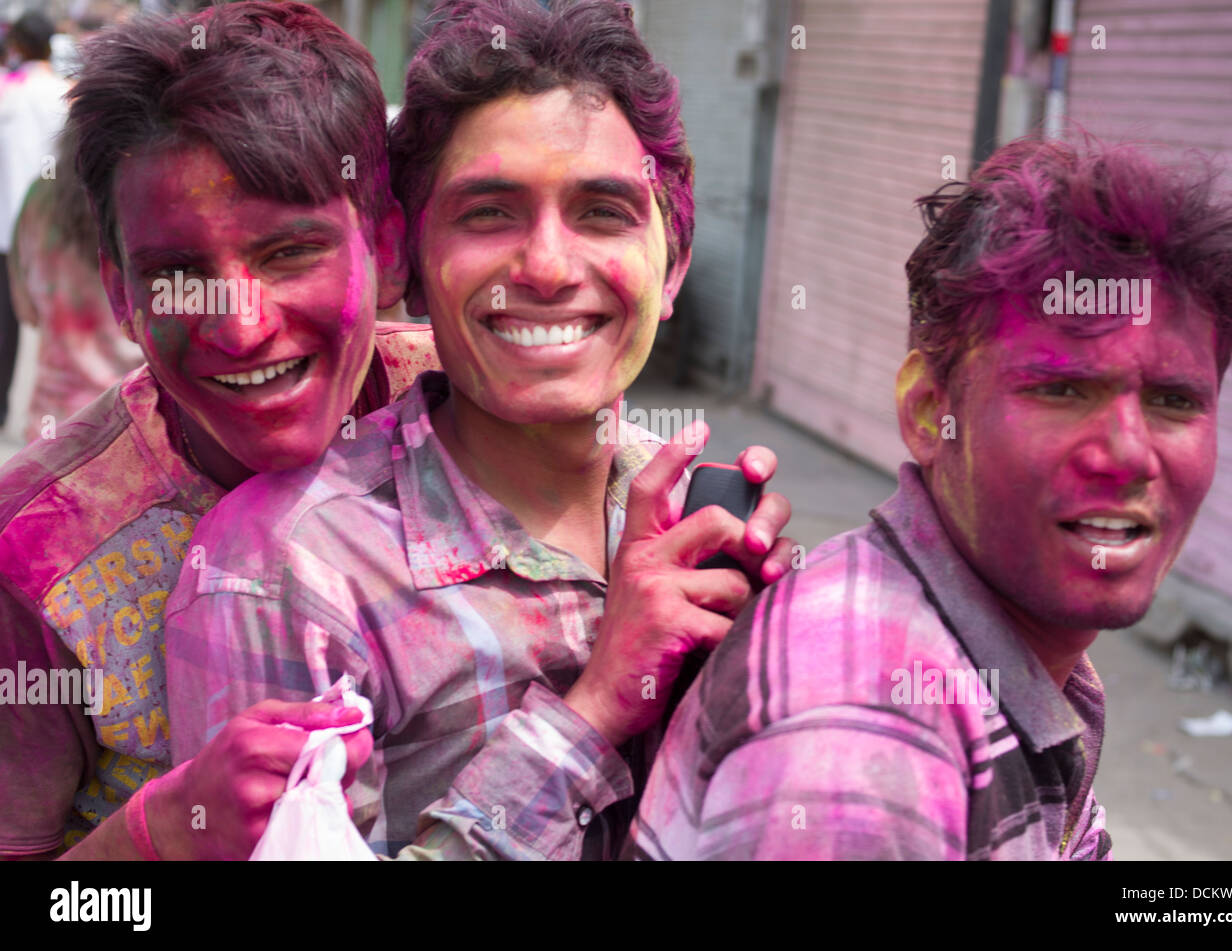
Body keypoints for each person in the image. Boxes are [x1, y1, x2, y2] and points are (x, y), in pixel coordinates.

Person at [166, 0, 794, 860]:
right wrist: (596, 710)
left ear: (672, 263)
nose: (545, 265)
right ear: (410, 268)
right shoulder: (289, 569)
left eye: (604, 211)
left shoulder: (699, 521)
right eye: (489, 213)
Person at [626, 137, 1232, 860]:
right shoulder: (866, 747)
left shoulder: (1017, 656)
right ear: (926, 410)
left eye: (1173, 400)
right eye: (1061, 389)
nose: (1128, 453)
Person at [0, 1, 437, 860]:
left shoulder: (465, 407)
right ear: (121, 293)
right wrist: (155, 831)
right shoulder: (36, 555)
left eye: (289, 254)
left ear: (385, 247)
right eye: (176, 273)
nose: (239, 327)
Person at [8, 132, 143, 444]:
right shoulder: (150, 200)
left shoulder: (40, 196)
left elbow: (26, 310)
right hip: (137, 428)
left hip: (53, 428)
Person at [0, 10, 70, 428]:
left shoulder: (6, 93)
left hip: (5, 229)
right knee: (57, 318)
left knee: (4, 323)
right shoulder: (65, 94)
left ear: (18, 46)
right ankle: (55, 415)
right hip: (53, 229)